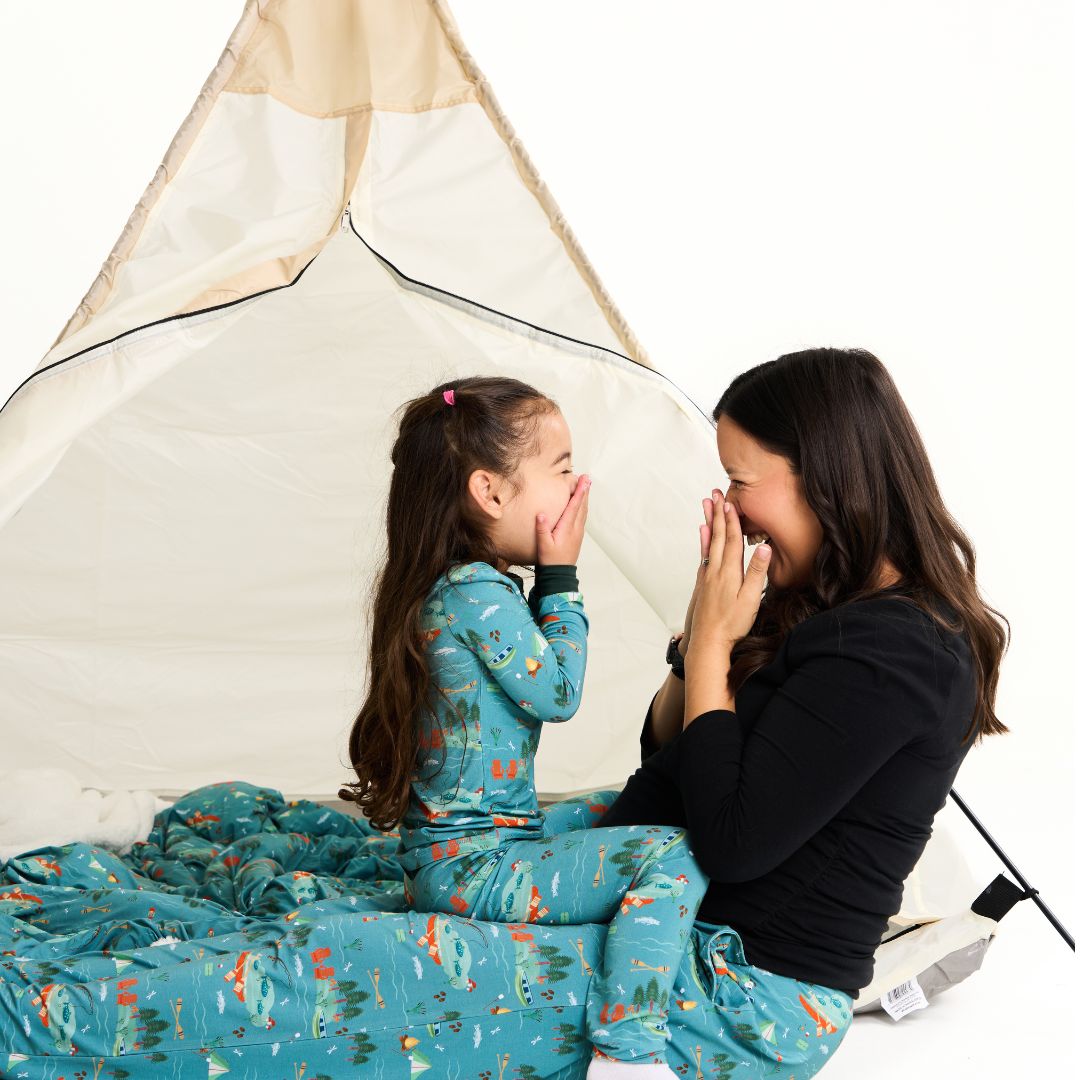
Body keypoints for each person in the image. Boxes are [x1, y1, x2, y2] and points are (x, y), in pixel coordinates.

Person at [594, 346, 1010, 1077]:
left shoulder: (895, 652)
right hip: (672, 934)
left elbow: (731, 839)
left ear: (824, 479)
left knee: (379, 963)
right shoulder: (818, 599)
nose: (727, 506)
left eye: (739, 480)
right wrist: (700, 639)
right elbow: (669, 748)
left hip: (740, 990)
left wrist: (716, 646)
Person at [338, 375, 710, 1079]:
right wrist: (561, 577)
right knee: (677, 850)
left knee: (637, 805)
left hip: (481, 849)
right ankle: (628, 1051)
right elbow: (558, 692)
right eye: (563, 470)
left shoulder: (459, 586)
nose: (579, 487)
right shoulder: (476, 593)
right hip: (473, 870)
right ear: (490, 492)